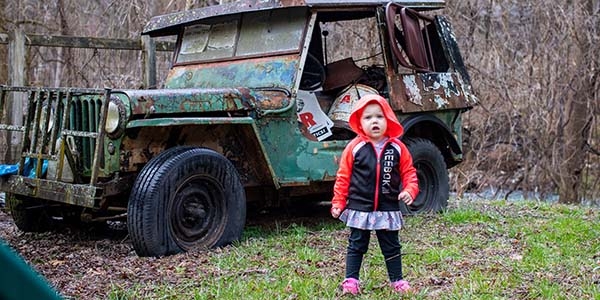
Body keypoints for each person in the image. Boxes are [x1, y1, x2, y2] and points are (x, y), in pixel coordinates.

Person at [331, 94, 419, 295]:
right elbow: (343, 177)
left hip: (387, 208)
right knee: (356, 244)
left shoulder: (398, 148)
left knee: (391, 246)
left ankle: (397, 280)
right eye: (368, 117)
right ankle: (351, 281)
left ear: (388, 119)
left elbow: (409, 173)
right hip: (360, 207)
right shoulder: (355, 147)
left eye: (379, 116)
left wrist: (409, 190)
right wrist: (338, 202)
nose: (374, 121)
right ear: (360, 122)